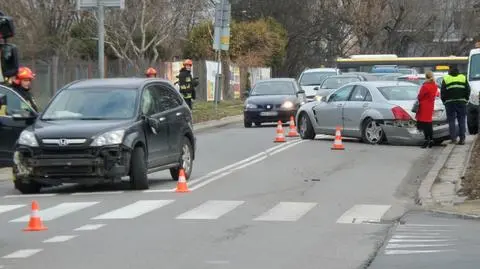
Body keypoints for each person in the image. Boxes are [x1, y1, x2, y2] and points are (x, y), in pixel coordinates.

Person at [441, 64, 471, 145]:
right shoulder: (463, 77)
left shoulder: (446, 78)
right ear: (457, 69)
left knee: (451, 121)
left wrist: (444, 101)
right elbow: (468, 89)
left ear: (449, 70)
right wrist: (466, 99)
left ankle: (453, 139)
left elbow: (443, 92)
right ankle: (462, 139)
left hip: (449, 103)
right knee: (461, 120)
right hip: (461, 102)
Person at [416, 71, 438, 148]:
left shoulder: (425, 86)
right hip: (430, 105)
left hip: (424, 106)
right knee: (429, 123)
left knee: (425, 124)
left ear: (426, 77)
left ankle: (426, 140)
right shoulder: (434, 86)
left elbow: (420, 96)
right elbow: (436, 95)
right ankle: (431, 140)